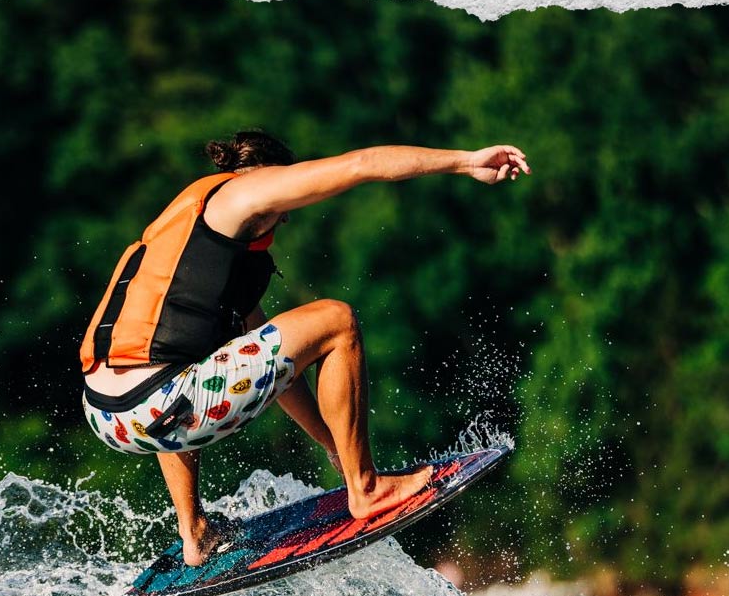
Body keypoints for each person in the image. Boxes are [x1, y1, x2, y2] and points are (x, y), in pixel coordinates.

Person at [80, 130, 530, 566]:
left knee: (185, 370)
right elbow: (362, 165)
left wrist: (331, 443)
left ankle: (193, 530)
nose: (286, 218)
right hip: (160, 401)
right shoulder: (247, 191)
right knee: (337, 319)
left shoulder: (188, 238)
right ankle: (366, 487)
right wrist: (467, 161)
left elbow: (271, 369)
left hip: (109, 415)